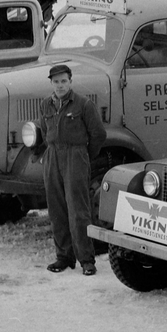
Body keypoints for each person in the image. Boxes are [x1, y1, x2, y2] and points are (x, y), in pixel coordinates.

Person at [40, 63, 107, 276]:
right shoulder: (45, 105)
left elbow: (98, 134)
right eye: (56, 82)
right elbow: (44, 131)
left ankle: (86, 260)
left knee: (78, 210)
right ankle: (63, 257)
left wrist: (84, 156)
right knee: (56, 208)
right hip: (52, 156)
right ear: (51, 83)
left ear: (70, 82)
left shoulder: (84, 104)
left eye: (64, 81)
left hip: (75, 157)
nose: (60, 86)